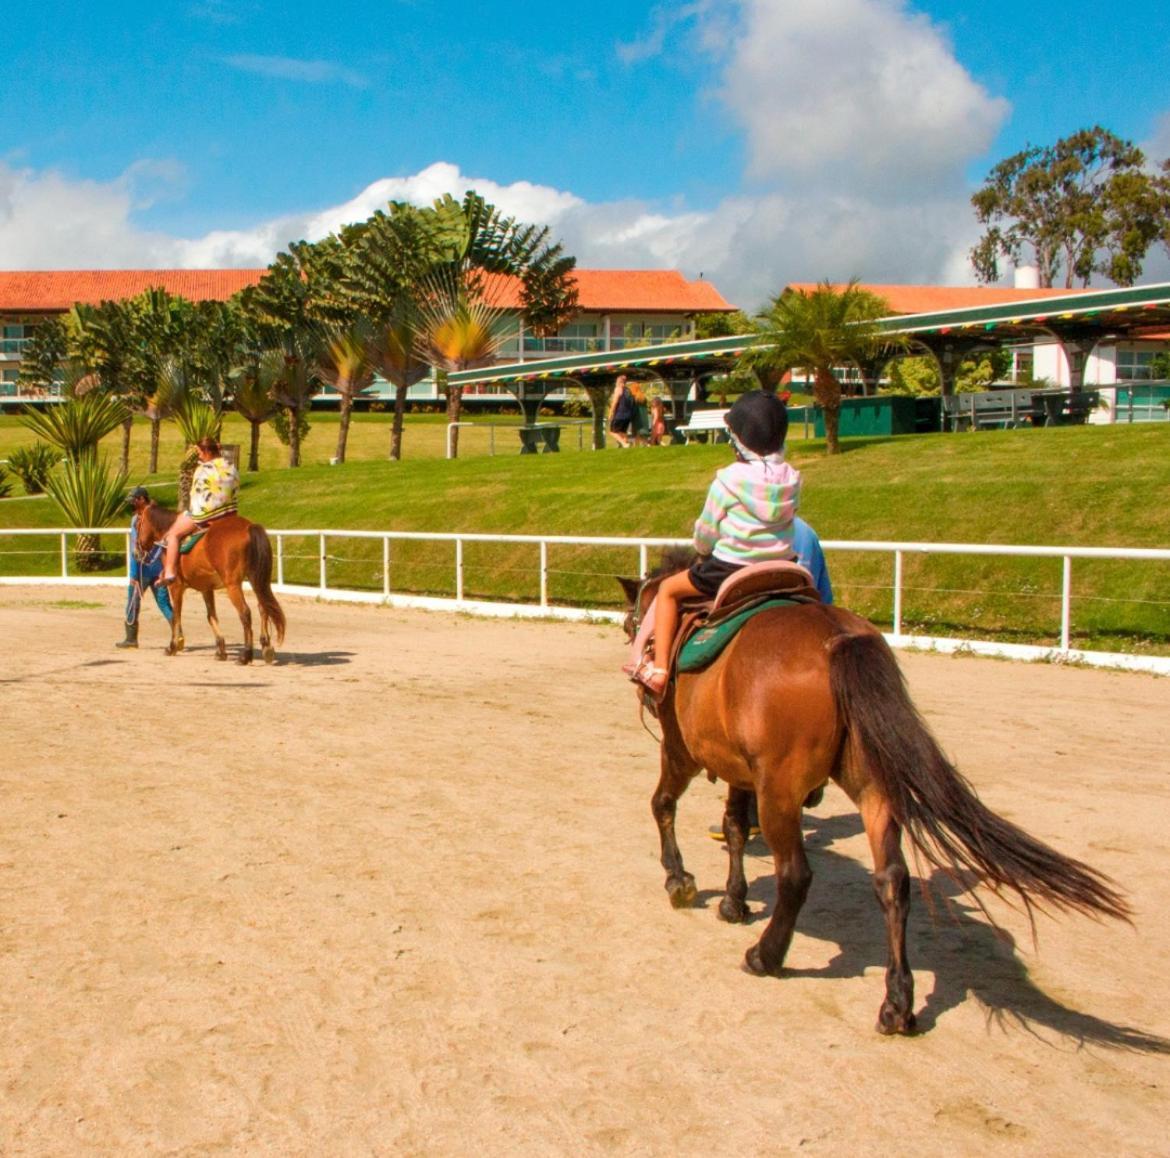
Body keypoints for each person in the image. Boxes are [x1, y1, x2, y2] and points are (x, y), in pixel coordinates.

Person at [632, 390, 801, 697]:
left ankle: (658, 671)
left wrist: (702, 548)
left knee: (668, 590)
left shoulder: (728, 479)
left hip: (730, 568)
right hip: (784, 568)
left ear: (738, 440)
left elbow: (706, 531)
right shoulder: (791, 477)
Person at [159, 436, 240, 585]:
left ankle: (170, 572)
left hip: (208, 514)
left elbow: (196, 495)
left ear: (207, 451)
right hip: (230, 513)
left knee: (173, 535)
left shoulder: (202, 470)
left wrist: (190, 511)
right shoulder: (230, 465)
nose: (199, 455)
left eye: (200, 452)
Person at [116, 486, 173, 648]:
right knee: (164, 603)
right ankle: (178, 633)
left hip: (141, 571)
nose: (132, 504)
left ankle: (131, 639)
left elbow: (137, 549)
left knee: (132, 603)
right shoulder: (159, 517)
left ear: (141, 499)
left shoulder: (138, 520)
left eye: (134, 500)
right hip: (159, 569)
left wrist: (133, 574)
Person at [607, 375, 636, 448]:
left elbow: (615, 402)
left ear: (619, 382)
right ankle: (626, 445)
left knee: (612, 432)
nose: (616, 383)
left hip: (619, 414)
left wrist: (611, 412)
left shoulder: (618, 389)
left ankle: (625, 444)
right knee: (623, 432)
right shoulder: (628, 390)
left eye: (616, 381)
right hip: (628, 415)